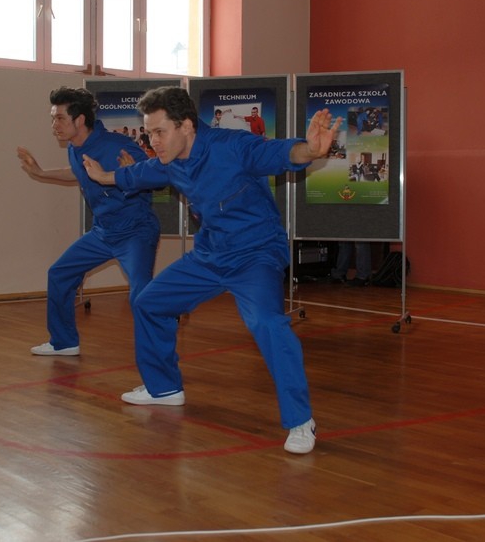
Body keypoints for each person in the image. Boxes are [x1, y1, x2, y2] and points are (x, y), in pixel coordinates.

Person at [82, 86, 342, 455]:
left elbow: (278, 153)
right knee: (149, 302)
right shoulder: (171, 160)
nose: (152, 141)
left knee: (267, 324)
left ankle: (301, 420)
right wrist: (104, 177)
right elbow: (140, 174)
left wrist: (310, 150)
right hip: (209, 255)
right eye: (149, 133)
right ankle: (164, 388)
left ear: (186, 126)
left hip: (254, 254)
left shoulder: (231, 146)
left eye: (159, 132)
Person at [17, 87, 160, 357]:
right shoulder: (75, 148)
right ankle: (64, 342)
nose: (54, 125)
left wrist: (132, 174)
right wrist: (41, 172)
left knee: (141, 294)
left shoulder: (116, 145)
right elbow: (77, 172)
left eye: (60, 118)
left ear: (80, 119)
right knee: (59, 274)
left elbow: (155, 174)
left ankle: (156, 357)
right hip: (103, 232)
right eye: (53, 118)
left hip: (135, 231)